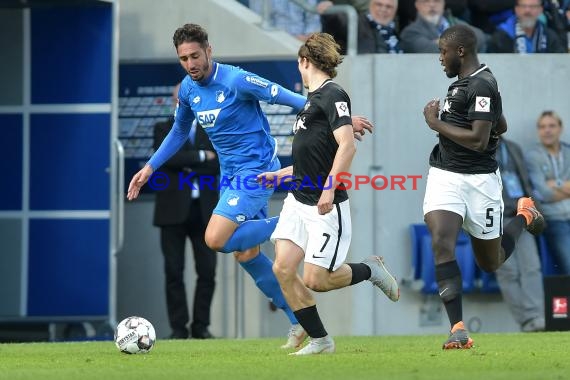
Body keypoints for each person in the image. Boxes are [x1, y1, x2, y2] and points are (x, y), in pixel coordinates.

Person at [127, 23, 374, 348]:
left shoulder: (236, 79)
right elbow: (177, 131)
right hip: (230, 176)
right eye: (184, 59)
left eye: (195, 56)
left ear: (209, 50)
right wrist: (149, 167)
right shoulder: (188, 89)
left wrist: (341, 119)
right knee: (246, 253)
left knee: (215, 238)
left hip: (256, 172)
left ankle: (285, 227)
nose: (191, 64)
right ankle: (297, 321)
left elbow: (289, 98)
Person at [258, 32, 399, 356]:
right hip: (297, 199)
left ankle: (370, 270)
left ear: (304, 61)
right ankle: (320, 340)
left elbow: (347, 147)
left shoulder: (333, 93)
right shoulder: (310, 103)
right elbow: (309, 161)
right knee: (282, 268)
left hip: (325, 204)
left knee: (317, 280)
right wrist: (279, 175)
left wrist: (329, 187)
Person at [422, 24, 545, 349]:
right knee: (440, 241)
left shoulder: (481, 84)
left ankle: (525, 216)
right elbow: (499, 125)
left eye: (442, 51)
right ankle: (458, 328)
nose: (440, 59)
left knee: (491, 261)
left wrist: (435, 123)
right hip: (445, 176)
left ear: (460, 51)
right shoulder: (466, 84)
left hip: (481, 182)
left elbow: (478, 140)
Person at [152, 83, 219, 340]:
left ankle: (201, 326)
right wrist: (202, 157)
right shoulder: (162, 129)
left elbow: (217, 164)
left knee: (207, 271)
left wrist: (186, 161)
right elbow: (167, 159)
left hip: (204, 212)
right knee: (173, 271)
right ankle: (178, 328)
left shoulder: (210, 129)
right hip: (172, 213)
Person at [495, 137, 545, 332]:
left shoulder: (513, 146)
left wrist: (536, 210)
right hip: (497, 219)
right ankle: (525, 320)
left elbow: (525, 182)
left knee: (531, 267)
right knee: (508, 272)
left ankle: (536, 315)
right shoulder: (477, 147)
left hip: (521, 215)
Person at [526, 111, 570, 274]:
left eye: (552, 125)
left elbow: (550, 189)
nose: (547, 130)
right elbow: (544, 194)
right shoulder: (532, 156)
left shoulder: (568, 152)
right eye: (542, 127)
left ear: (560, 128)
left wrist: (556, 183)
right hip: (555, 220)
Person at [400, 0, 487, 53]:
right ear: (417, 5)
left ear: (443, 4)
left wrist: (441, 42)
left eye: (437, 1)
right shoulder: (409, 32)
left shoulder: (454, 21)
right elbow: (430, 50)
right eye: (426, 1)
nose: (432, 5)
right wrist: (463, 39)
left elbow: (480, 37)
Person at [487, 0, 566, 53]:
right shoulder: (501, 36)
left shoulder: (550, 36)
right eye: (523, 6)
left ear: (540, 10)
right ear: (516, 9)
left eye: (533, 6)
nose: (527, 11)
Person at [249, 0, 321, 41]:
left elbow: (313, 23)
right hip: (275, 42)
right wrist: (290, 38)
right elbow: (259, 25)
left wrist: (308, 39)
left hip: (303, 42)